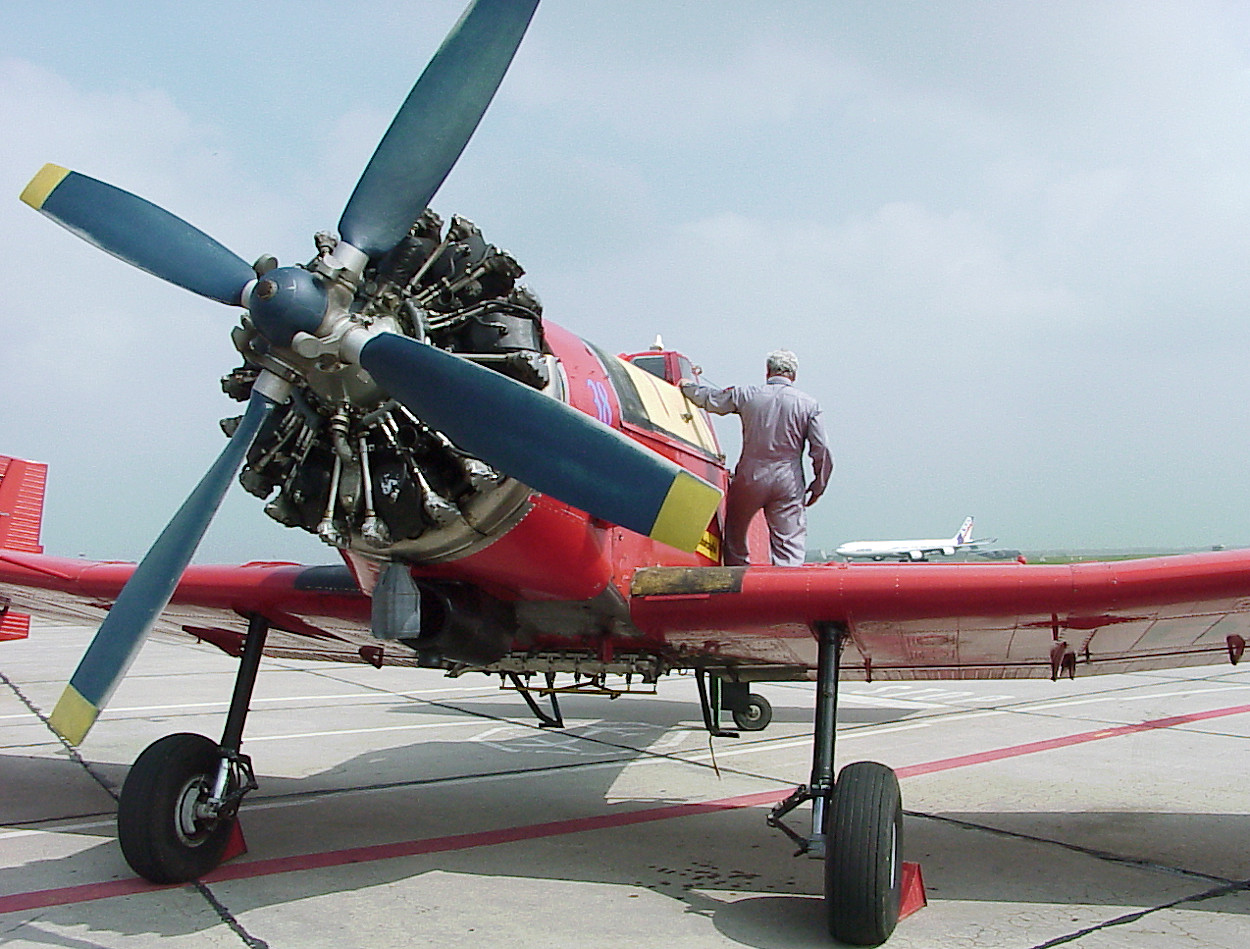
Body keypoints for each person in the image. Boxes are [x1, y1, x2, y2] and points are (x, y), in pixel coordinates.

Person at [680, 350, 833, 567]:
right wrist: (818, 484)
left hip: (750, 476)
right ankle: (786, 593)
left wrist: (686, 387)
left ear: (767, 371)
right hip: (789, 479)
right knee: (789, 546)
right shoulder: (809, 405)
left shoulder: (746, 394)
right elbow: (821, 449)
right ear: (794, 375)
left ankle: (739, 586)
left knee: (735, 537)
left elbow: (712, 400)